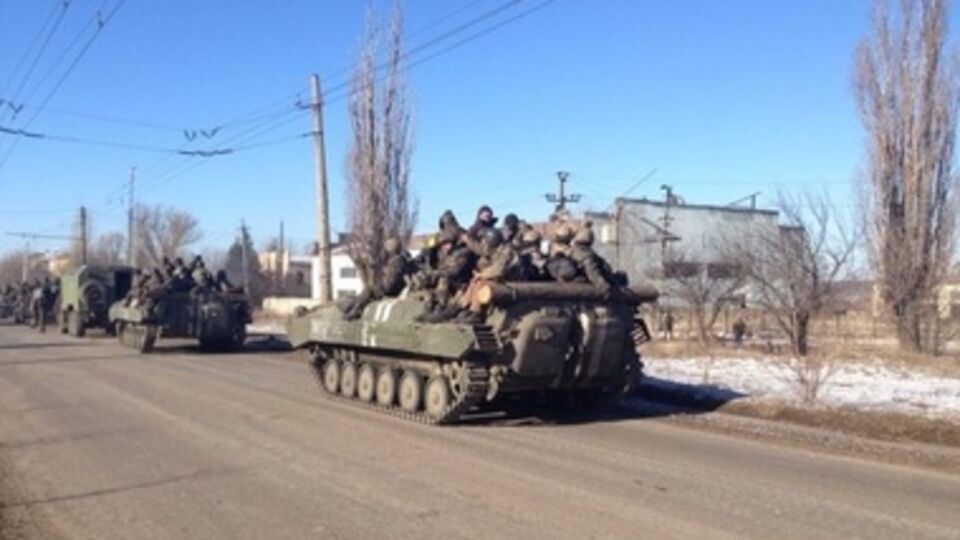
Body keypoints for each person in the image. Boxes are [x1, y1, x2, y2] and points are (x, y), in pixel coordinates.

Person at [568, 226, 615, 297]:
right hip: (585, 288)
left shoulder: (579, 251)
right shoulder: (584, 254)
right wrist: (604, 287)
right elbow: (593, 272)